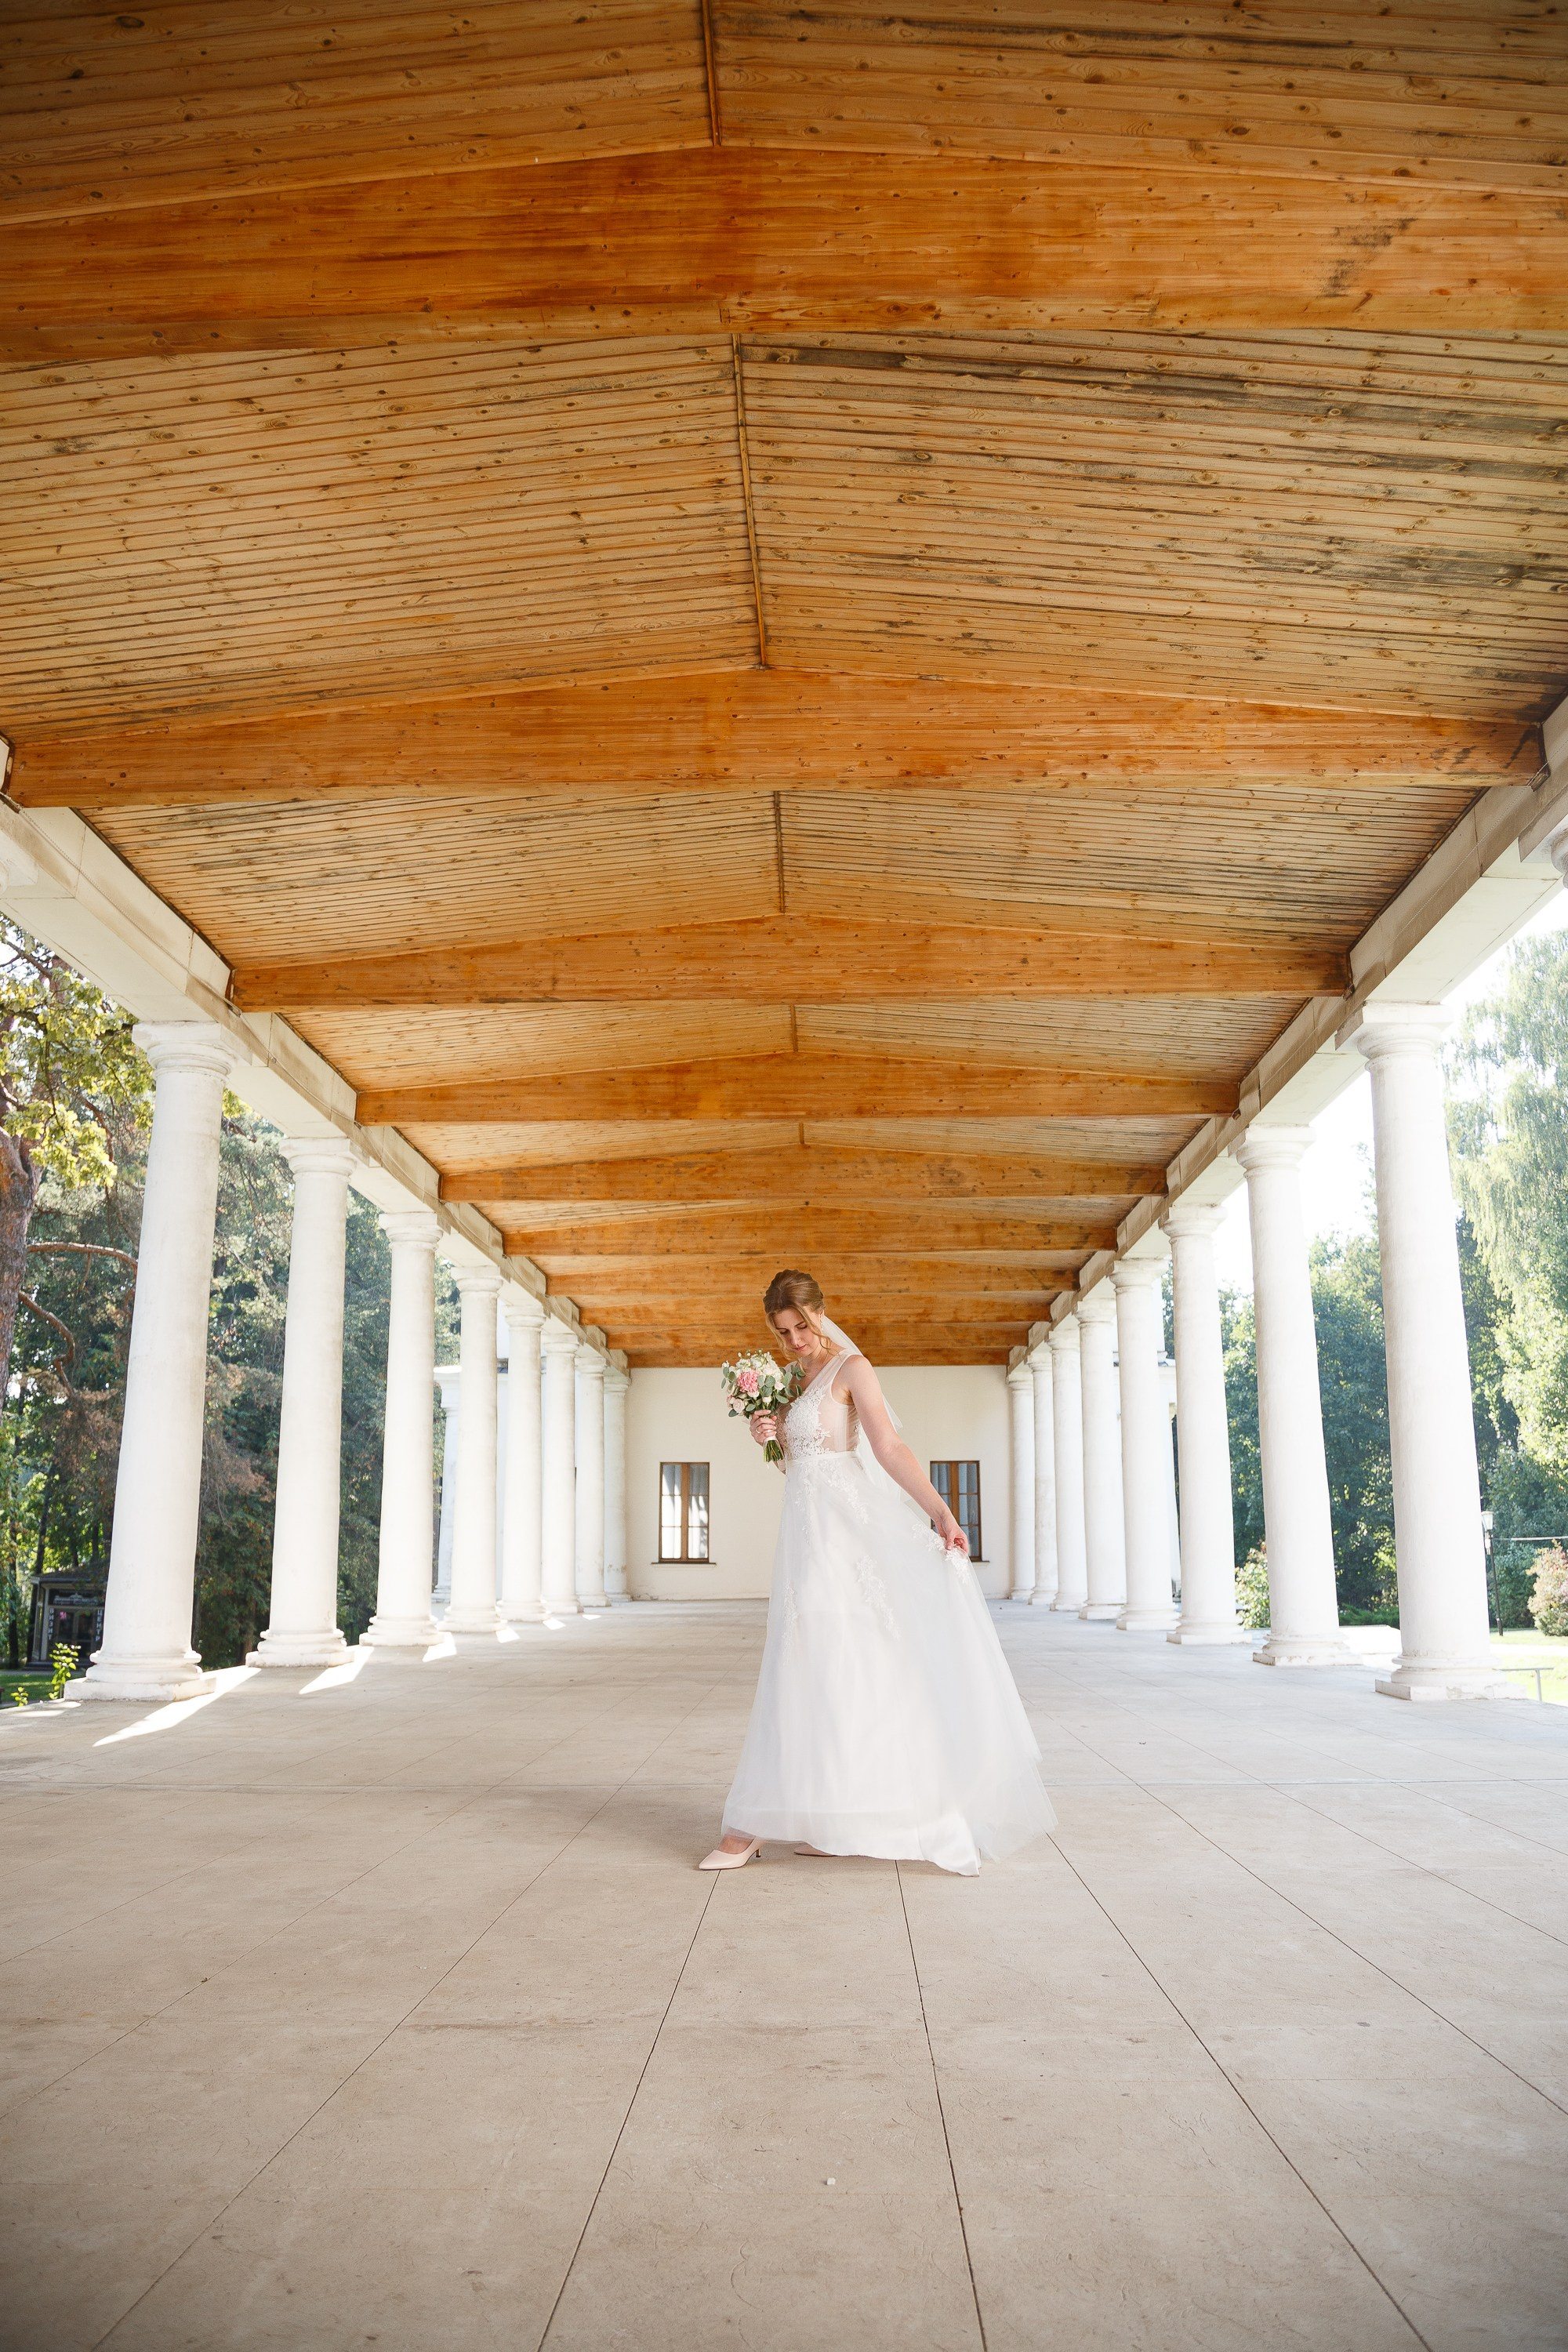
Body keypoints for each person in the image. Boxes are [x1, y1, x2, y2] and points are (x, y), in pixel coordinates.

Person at [699, 1269, 1055, 1877]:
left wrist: (942, 1512)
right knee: (817, 1662)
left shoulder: (852, 1369)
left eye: (801, 1327)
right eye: (782, 1333)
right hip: (805, 1535)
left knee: (833, 1660)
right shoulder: (792, 1380)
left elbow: (888, 1448)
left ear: (820, 1314)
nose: (795, 1342)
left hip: (846, 1535)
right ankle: (828, 1816)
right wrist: (764, 1432)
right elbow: (798, 1469)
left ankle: (751, 1825)